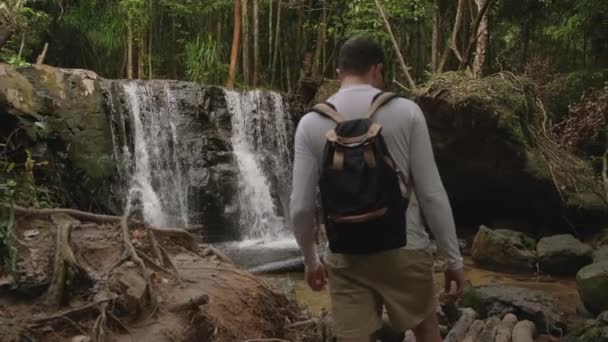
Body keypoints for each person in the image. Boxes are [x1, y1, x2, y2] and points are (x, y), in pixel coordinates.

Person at [290, 36, 465, 342]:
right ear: (377, 70)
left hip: (346, 252)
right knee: (426, 331)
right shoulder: (407, 112)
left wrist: (310, 261)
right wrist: (454, 260)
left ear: (339, 72)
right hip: (405, 247)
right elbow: (431, 193)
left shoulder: (310, 123)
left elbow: (302, 208)